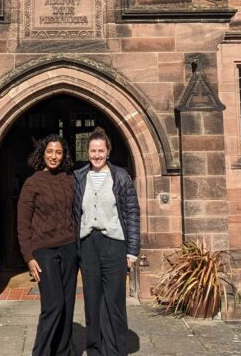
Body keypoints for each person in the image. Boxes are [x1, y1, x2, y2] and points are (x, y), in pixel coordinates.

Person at [73, 127, 140, 356]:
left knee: (114, 301)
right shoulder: (79, 176)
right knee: (92, 300)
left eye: (101, 150)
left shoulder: (120, 176)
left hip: (114, 243)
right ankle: (95, 349)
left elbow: (132, 213)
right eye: (93, 150)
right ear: (87, 151)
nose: (97, 155)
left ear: (108, 151)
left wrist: (132, 251)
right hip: (88, 244)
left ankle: (116, 350)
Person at [17, 134, 78, 356]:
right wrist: (29, 257)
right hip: (43, 251)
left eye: (58, 152)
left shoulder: (69, 179)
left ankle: (63, 351)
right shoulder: (32, 183)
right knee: (53, 305)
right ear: (43, 154)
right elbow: (23, 224)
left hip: (69, 248)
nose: (54, 156)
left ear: (64, 155)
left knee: (68, 305)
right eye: (50, 151)